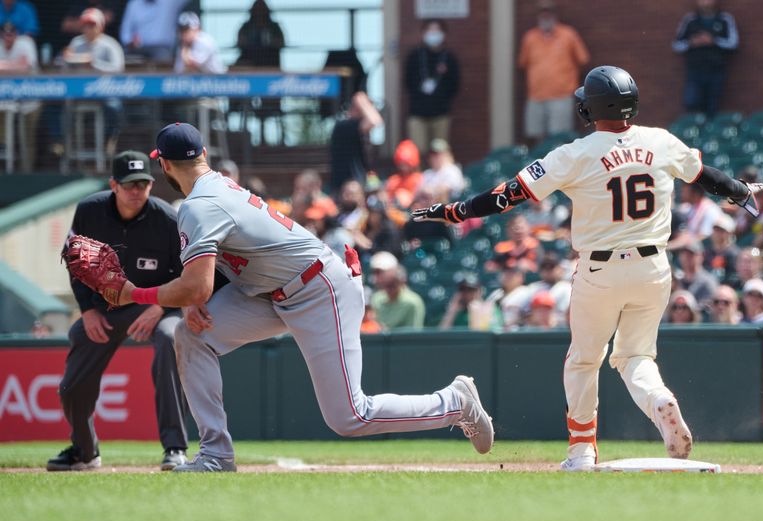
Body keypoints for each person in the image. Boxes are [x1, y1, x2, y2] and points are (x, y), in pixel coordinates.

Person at [412, 65, 763, 471]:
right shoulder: (660, 140)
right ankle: (658, 400)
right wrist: (740, 191)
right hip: (654, 268)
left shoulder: (575, 153)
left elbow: (505, 198)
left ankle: (581, 450)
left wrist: (455, 212)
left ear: (591, 106)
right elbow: (709, 178)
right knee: (634, 357)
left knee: (583, 359)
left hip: (600, 270)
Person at [90, 123, 493, 472]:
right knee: (190, 336)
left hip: (319, 291)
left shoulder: (199, 205)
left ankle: (455, 402)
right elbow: (217, 270)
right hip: (271, 292)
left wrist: (133, 292)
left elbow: (198, 284)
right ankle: (215, 454)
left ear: (163, 165)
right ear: (205, 155)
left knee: (349, 416)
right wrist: (195, 297)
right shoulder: (216, 188)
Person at [47, 151, 188, 472]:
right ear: (114, 184)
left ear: (152, 184)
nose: (137, 190)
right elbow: (75, 261)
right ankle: (84, 451)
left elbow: (187, 276)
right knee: (73, 376)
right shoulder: (89, 211)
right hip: (107, 310)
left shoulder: (168, 219)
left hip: (158, 308)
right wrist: (87, 310)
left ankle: (175, 448)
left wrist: (161, 306)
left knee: (170, 338)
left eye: (143, 183)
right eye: (129, 184)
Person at [517, 0, 589, 145]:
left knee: (559, 138)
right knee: (536, 136)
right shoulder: (530, 38)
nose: (545, 16)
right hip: (536, 96)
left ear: (554, 15)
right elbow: (522, 63)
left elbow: (583, 59)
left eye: (548, 13)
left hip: (561, 96)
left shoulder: (568, 35)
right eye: (542, 13)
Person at [62, 8, 124, 153]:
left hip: (105, 90)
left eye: (92, 25)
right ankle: (67, 144)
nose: (88, 28)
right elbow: (65, 68)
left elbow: (118, 69)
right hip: (80, 91)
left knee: (114, 106)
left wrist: (94, 65)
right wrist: (66, 59)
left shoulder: (110, 44)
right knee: (62, 106)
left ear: (100, 26)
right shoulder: (76, 43)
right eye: (85, 25)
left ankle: (110, 140)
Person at [672, 0, 738, 117]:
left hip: (716, 69)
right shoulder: (690, 20)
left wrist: (713, 41)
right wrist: (692, 42)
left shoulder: (724, 19)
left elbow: (733, 43)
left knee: (713, 105)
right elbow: (677, 45)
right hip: (695, 70)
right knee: (692, 102)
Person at [403, 19, 460, 152]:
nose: (433, 34)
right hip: (417, 113)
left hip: (441, 113)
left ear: (444, 34)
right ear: (423, 33)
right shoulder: (415, 56)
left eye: (437, 30)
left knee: (439, 150)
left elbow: (455, 85)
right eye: (430, 30)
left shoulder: (449, 58)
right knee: (418, 150)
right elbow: (407, 82)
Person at [0, 21, 39, 172]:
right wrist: (14, 65)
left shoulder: (25, 43)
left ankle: (27, 170)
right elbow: (19, 66)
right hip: (4, 100)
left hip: (29, 99)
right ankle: (6, 169)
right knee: (4, 138)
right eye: (5, 34)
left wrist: (4, 66)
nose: (8, 37)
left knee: (26, 137)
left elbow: (26, 67)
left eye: (11, 34)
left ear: (16, 34)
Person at [329, 91, 383, 194]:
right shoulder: (344, 126)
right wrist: (361, 99)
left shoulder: (357, 129)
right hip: (345, 189)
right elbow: (375, 121)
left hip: (358, 184)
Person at [369, 252, 426, 331]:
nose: (376, 276)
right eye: (375, 272)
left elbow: (413, 336)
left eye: (379, 272)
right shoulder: (376, 299)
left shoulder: (413, 302)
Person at [120, 0, 187, 63]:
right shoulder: (134, 4)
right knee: (123, 59)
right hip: (137, 49)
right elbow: (125, 33)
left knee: (162, 56)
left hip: (162, 48)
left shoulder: (170, 2)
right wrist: (131, 41)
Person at [235, 0, 284, 68]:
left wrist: (270, 42)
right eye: (257, 11)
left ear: (267, 12)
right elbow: (240, 43)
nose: (259, 14)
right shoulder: (246, 27)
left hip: (271, 61)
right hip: (249, 60)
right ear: (252, 12)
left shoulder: (274, 27)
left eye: (262, 11)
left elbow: (281, 43)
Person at [385, 140, 424, 209]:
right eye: (401, 164)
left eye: (406, 164)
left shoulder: (419, 179)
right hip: (395, 213)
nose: (404, 167)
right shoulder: (394, 180)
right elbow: (387, 199)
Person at [703, 214, 739, 284]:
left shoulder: (734, 254)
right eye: (715, 230)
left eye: (721, 230)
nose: (717, 233)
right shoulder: (707, 252)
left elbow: (734, 277)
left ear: (729, 233)